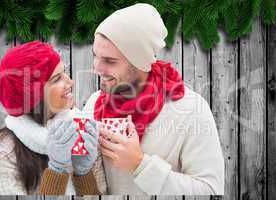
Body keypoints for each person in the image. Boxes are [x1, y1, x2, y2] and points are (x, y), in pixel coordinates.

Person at [82, 3, 225, 195]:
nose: (96, 68)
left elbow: (210, 190)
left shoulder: (190, 109)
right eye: (96, 56)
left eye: (109, 61)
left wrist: (140, 165)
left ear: (139, 62)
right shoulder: (95, 103)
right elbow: (86, 186)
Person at [0, 41, 106, 195]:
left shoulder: (80, 128)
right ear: (33, 96)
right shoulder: (2, 152)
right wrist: (57, 169)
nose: (71, 82)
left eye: (64, 72)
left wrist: (83, 172)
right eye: (56, 79)